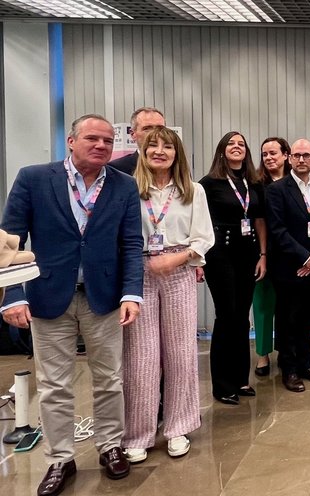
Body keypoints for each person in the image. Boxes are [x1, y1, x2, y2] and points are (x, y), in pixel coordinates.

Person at [1, 114, 143, 495]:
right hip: (48, 297)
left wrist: (132, 293)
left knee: (110, 380)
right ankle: (59, 458)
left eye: (108, 141)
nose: (101, 146)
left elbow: (131, 244)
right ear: (71, 140)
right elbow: (8, 244)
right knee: (54, 385)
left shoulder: (125, 186)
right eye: (93, 138)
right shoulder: (33, 178)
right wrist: (12, 296)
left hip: (105, 297)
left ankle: (110, 446)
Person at [122, 126, 214, 462]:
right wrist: (149, 264)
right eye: (153, 146)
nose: (160, 151)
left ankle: (178, 428)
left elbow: (204, 238)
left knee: (180, 354)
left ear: (177, 153)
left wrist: (175, 259)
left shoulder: (193, 191)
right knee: (141, 358)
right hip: (138, 273)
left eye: (167, 146)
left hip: (179, 272)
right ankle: (137, 435)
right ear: (143, 152)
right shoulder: (130, 189)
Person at [199, 131, 267, 405]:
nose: (237, 147)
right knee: (226, 317)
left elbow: (260, 219)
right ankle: (222, 384)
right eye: (231, 144)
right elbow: (200, 225)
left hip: (248, 254)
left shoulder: (254, 183)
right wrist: (200, 259)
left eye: (241, 144)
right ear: (222, 151)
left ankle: (241, 378)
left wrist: (263, 255)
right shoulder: (208, 184)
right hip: (220, 255)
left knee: (242, 318)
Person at [266, 138, 310, 392]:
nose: (302, 160)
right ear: (289, 158)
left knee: (306, 318)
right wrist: (305, 258)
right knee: (287, 319)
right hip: (289, 268)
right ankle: (289, 368)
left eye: (307, 155)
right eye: (297, 155)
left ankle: (306, 364)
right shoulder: (277, 190)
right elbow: (278, 231)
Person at [252, 137, 290, 377]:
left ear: (286, 155)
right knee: (263, 305)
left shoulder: (297, 182)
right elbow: (258, 219)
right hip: (263, 252)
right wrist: (262, 254)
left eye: (273, 153)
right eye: (264, 154)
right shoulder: (256, 185)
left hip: (292, 253)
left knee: (289, 308)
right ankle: (263, 354)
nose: (268, 158)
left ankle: (287, 352)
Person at [107, 107, 166, 175]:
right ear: (133, 134)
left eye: (160, 128)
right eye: (147, 129)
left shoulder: (177, 165)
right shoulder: (116, 169)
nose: (155, 133)